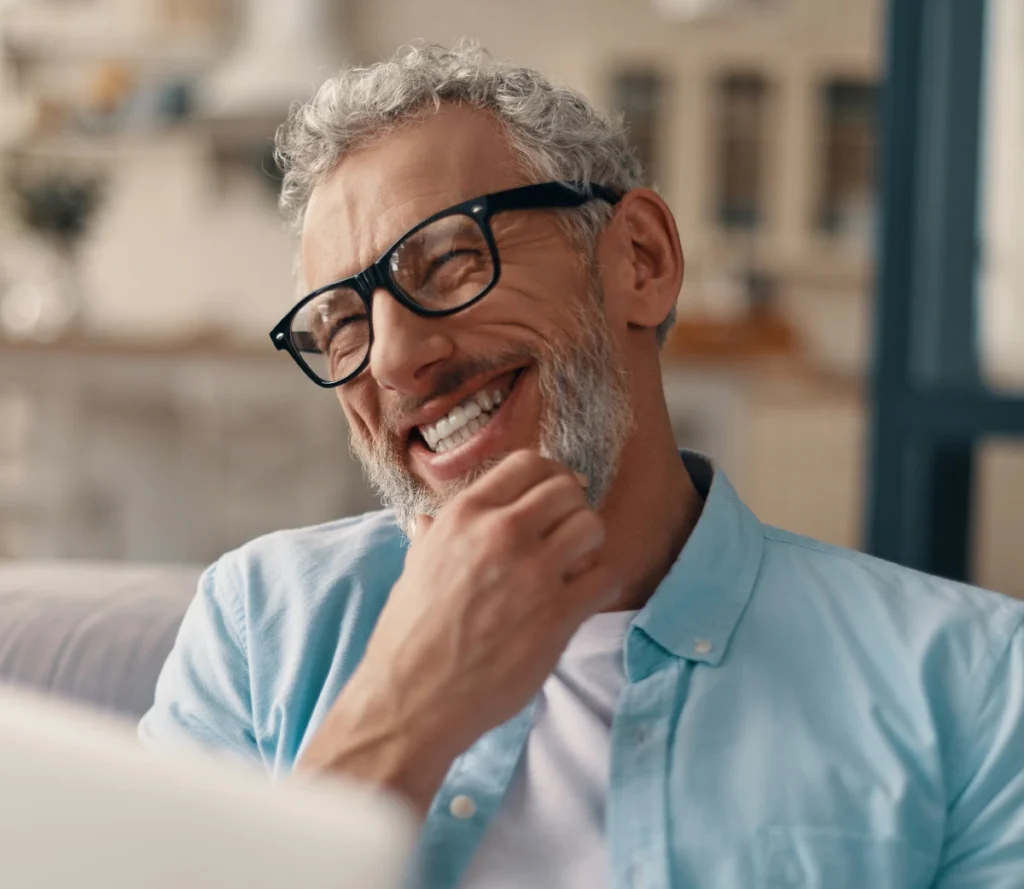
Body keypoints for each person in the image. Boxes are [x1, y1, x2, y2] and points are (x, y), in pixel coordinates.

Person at [139, 43, 1024, 889]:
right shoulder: (258, 629)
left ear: (641, 259)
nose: (396, 359)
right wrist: (403, 710)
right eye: (341, 326)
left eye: (448, 261)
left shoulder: (975, 683)